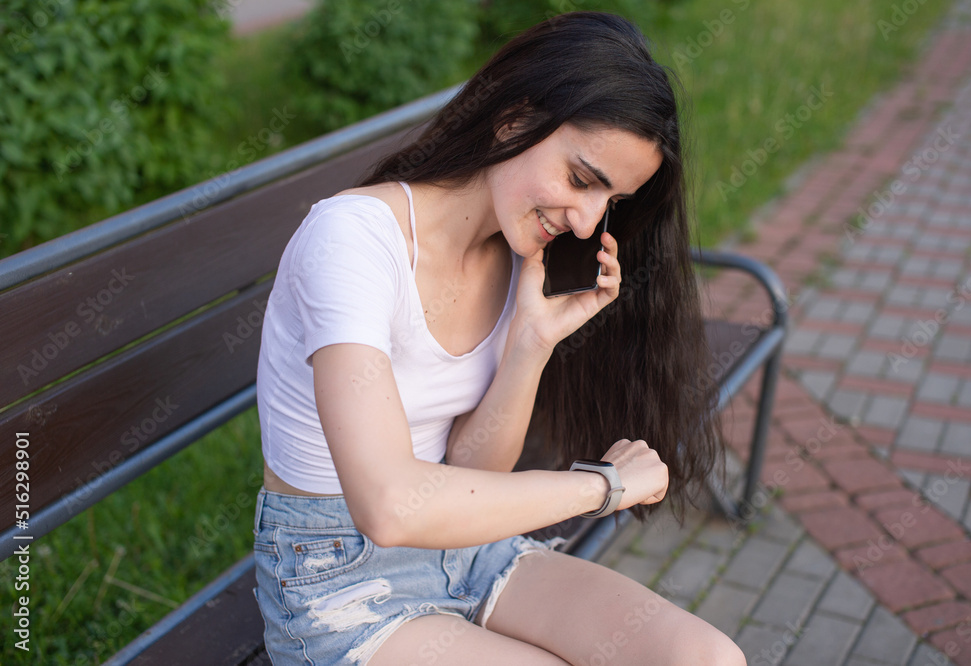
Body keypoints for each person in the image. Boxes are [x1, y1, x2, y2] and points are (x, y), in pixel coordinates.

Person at [252, 11, 745, 666]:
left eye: (610, 202)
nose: (586, 221)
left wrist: (529, 345)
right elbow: (391, 507)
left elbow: (472, 475)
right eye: (581, 179)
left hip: (467, 548)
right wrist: (603, 487)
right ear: (513, 121)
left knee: (705, 660)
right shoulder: (353, 241)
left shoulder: (514, 259)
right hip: (337, 579)